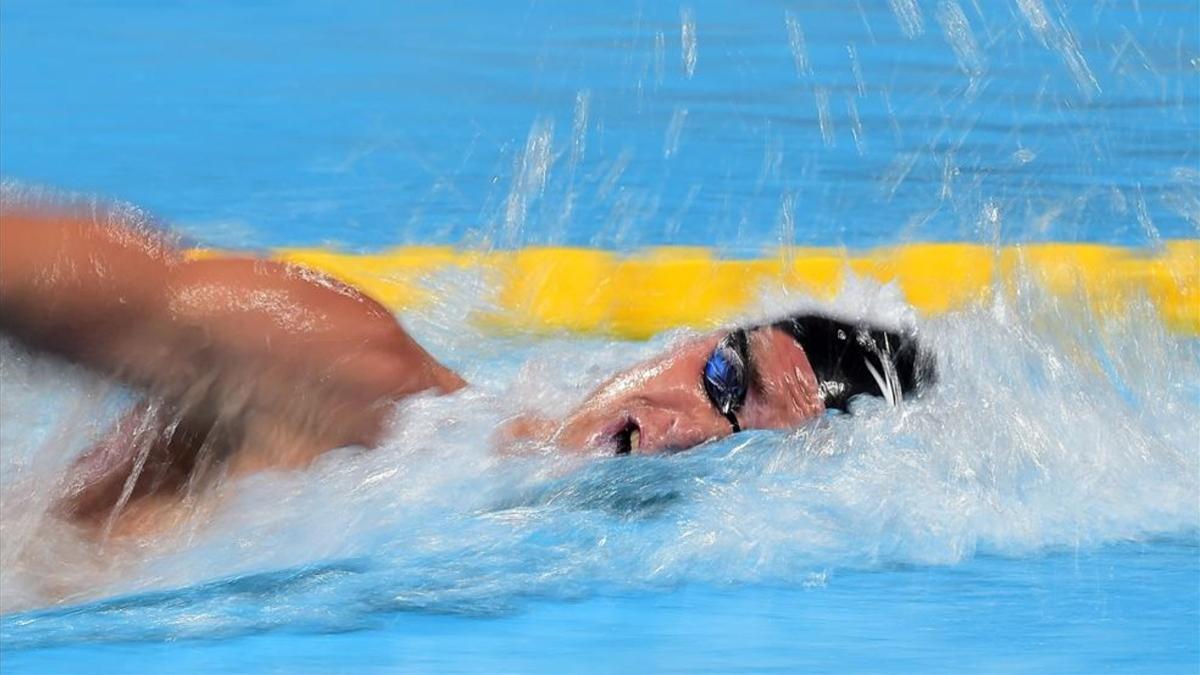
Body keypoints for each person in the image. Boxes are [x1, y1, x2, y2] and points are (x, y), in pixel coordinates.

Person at [0, 198, 935, 536]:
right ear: (693, 338)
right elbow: (114, 284)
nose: (685, 430)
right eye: (726, 382)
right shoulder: (354, 374)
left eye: (742, 452)